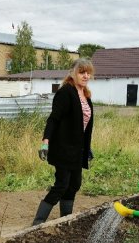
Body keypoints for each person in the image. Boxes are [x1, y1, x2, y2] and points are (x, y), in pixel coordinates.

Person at [32, 58, 94, 226]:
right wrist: (45, 142)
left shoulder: (86, 95)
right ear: (73, 73)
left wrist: (87, 148)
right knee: (62, 185)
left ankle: (65, 218)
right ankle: (38, 222)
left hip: (77, 150)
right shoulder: (66, 92)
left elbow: (83, 125)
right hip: (63, 148)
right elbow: (53, 119)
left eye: (88, 73)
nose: (85, 76)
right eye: (82, 72)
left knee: (74, 184)